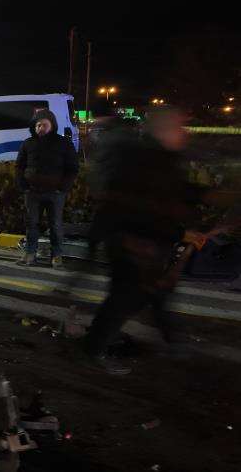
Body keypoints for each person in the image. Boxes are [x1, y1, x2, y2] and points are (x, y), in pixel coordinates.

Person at [83, 108, 212, 375]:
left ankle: (173, 341)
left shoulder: (159, 159)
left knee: (155, 293)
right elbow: (145, 209)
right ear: (164, 131)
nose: (184, 133)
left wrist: (209, 197)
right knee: (124, 298)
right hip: (131, 242)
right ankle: (92, 351)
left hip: (142, 243)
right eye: (179, 128)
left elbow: (176, 194)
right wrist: (180, 234)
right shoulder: (146, 161)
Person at [15, 109, 79, 268]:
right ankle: (30, 253)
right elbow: (19, 166)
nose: (40, 128)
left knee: (55, 224)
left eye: (44, 125)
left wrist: (62, 188)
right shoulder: (28, 143)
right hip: (32, 192)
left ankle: (56, 256)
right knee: (32, 224)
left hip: (55, 193)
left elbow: (72, 168)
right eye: (37, 125)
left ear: (52, 125)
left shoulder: (63, 143)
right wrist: (24, 186)